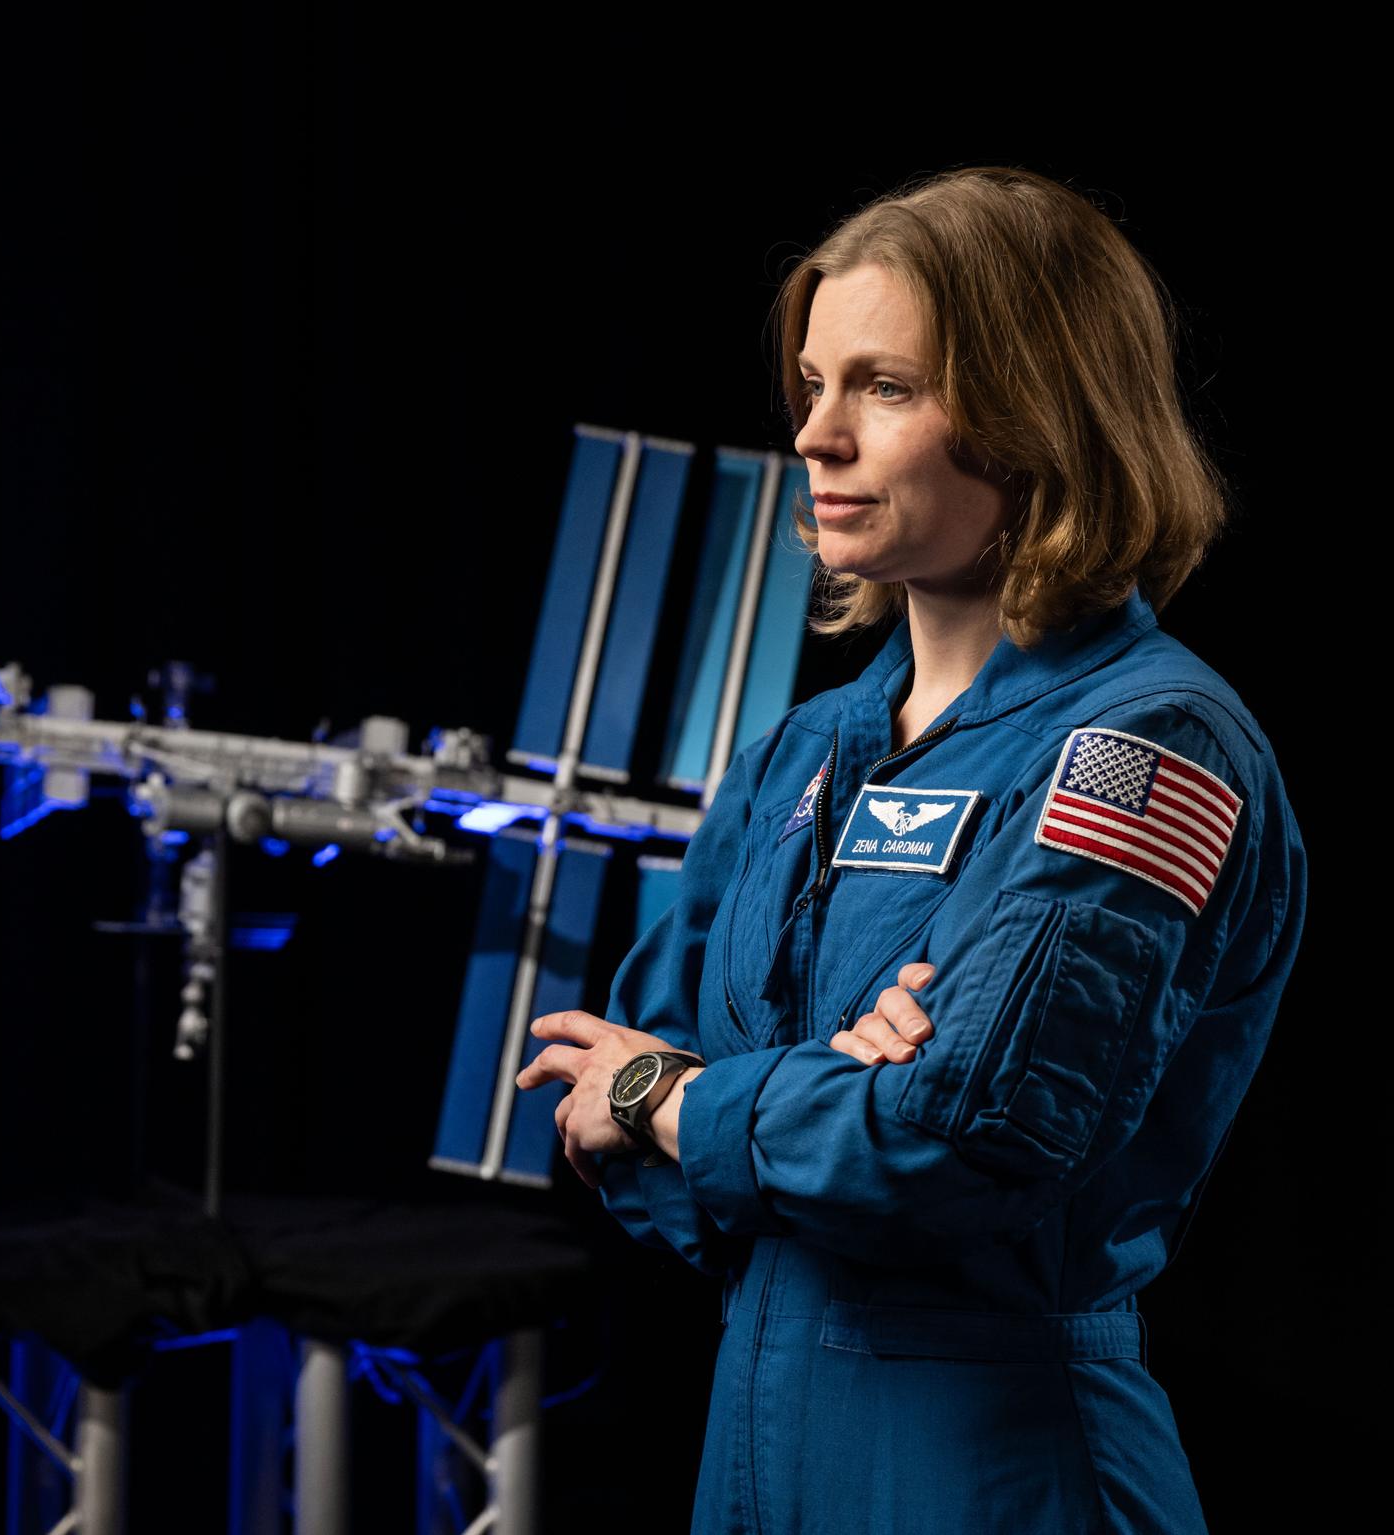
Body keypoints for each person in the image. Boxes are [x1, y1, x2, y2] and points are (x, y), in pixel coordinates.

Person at [514, 165, 1306, 1533]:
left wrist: (691, 1099)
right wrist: (807, 1090)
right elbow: (613, 1119)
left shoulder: (1150, 745)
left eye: (884, 387)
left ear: (1036, 414)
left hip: (996, 1469)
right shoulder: (800, 752)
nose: (818, 436)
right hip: (753, 1459)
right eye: (813, 385)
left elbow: (962, 1150)